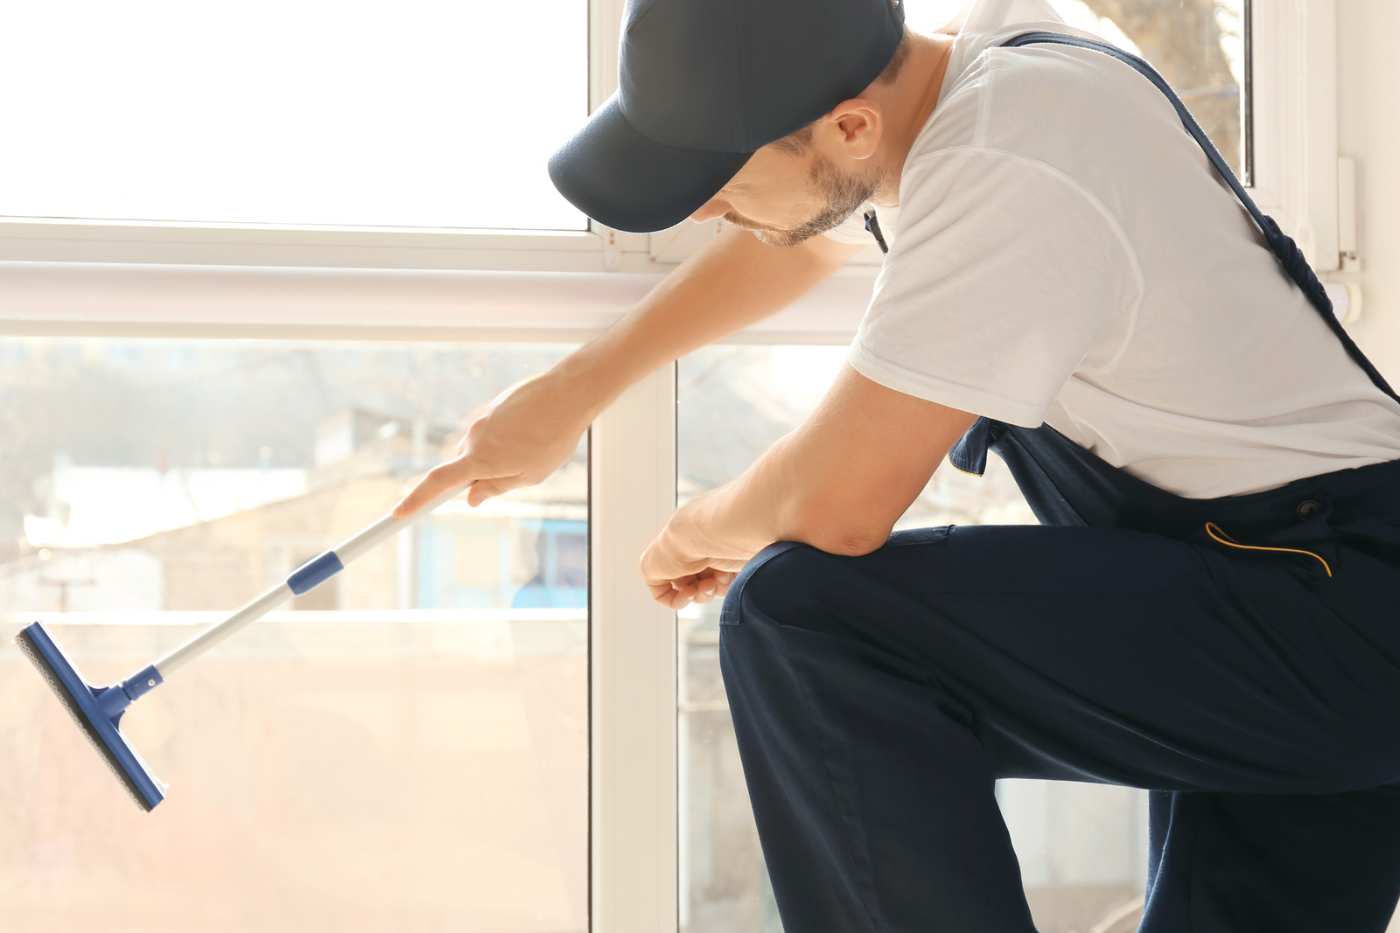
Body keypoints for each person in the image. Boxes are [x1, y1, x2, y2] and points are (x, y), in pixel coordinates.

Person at [392, 0, 1400, 929]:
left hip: (1324, 608)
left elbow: (835, 507)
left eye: (721, 182)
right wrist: (568, 395)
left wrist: (694, 531)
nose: (707, 212)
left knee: (805, 619)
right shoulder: (958, 72)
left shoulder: (1011, 153)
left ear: (846, 126)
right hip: (1269, 599)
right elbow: (803, 231)